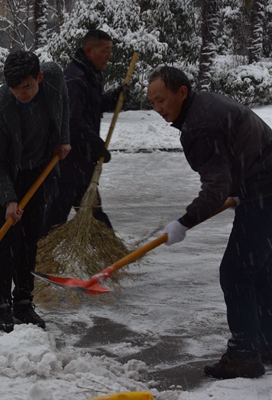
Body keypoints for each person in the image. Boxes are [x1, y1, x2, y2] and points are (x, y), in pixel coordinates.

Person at [147, 66, 272, 379]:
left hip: (264, 191)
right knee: (259, 269)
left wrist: (184, 222)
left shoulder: (198, 126)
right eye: (153, 103)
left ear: (182, 92)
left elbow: (216, 187)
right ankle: (266, 341)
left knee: (236, 272)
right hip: (262, 184)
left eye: (162, 100)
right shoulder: (205, 105)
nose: (158, 109)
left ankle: (245, 353)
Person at [0, 50, 71, 332]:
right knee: (6, 242)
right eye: (15, 89)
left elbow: (64, 104)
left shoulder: (53, 78)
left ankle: (23, 302)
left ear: (39, 78)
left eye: (27, 87)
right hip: (5, 175)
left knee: (30, 240)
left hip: (37, 171)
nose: (21, 93)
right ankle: (0, 305)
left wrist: (63, 138)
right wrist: (8, 199)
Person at [41, 29, 124, 237]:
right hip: (69, 164)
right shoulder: (76, 79)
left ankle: (111, 258)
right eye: (105, 50)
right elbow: (73, 121)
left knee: (93, 215)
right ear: (89, 50)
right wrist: (97, 146)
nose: (109, 56)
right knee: (55, 219)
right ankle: (35, 258)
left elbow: (90, 108)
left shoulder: (88, 76)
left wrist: (114, 98)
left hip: (81, 163)